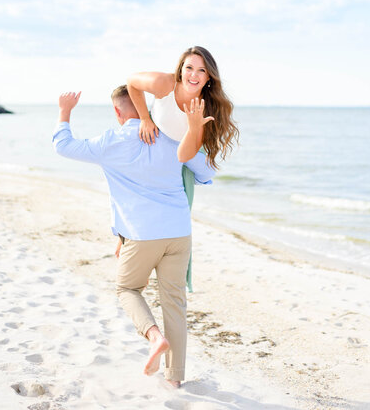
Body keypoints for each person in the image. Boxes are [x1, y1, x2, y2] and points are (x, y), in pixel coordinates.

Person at [52, 86, 215, 388]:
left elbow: (63, 146)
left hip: (142, 235)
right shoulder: (170, 137)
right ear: (147, 107)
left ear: (117, 111)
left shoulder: (110, 142)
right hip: (179, 233)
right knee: (175, 304)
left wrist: (65, 111)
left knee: (127, 289)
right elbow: (206, 173)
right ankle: (175, 379)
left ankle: (155, 338)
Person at [127, 46, 239, 290]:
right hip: (159, 150)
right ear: (180, 69)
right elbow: (131, 83)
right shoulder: (164, 83)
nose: (194, 75)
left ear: (209, 78)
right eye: (189, 68)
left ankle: (174, 278)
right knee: (143, 206)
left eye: (202, 70)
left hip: (185, 157)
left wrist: (194, 126)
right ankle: (138, 263)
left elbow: (184, 154)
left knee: (176, 221)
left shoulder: (208, 108)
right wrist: (144, 118)